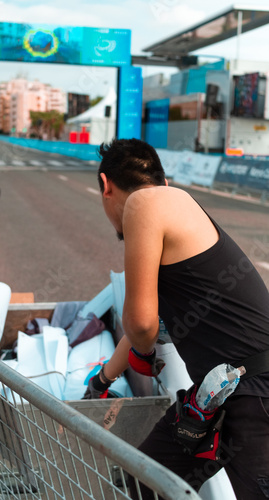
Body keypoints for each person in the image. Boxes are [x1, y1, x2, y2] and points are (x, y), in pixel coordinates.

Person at [83, 138, 269, 500]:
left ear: (106, 185)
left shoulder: (143, 203)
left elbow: (140, 326)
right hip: (217, 396)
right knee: (146, 483)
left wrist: (143, 348)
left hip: (255, 397)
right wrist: (103, 379)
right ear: (162, 180)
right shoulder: (173, 203)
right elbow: (145, 324)